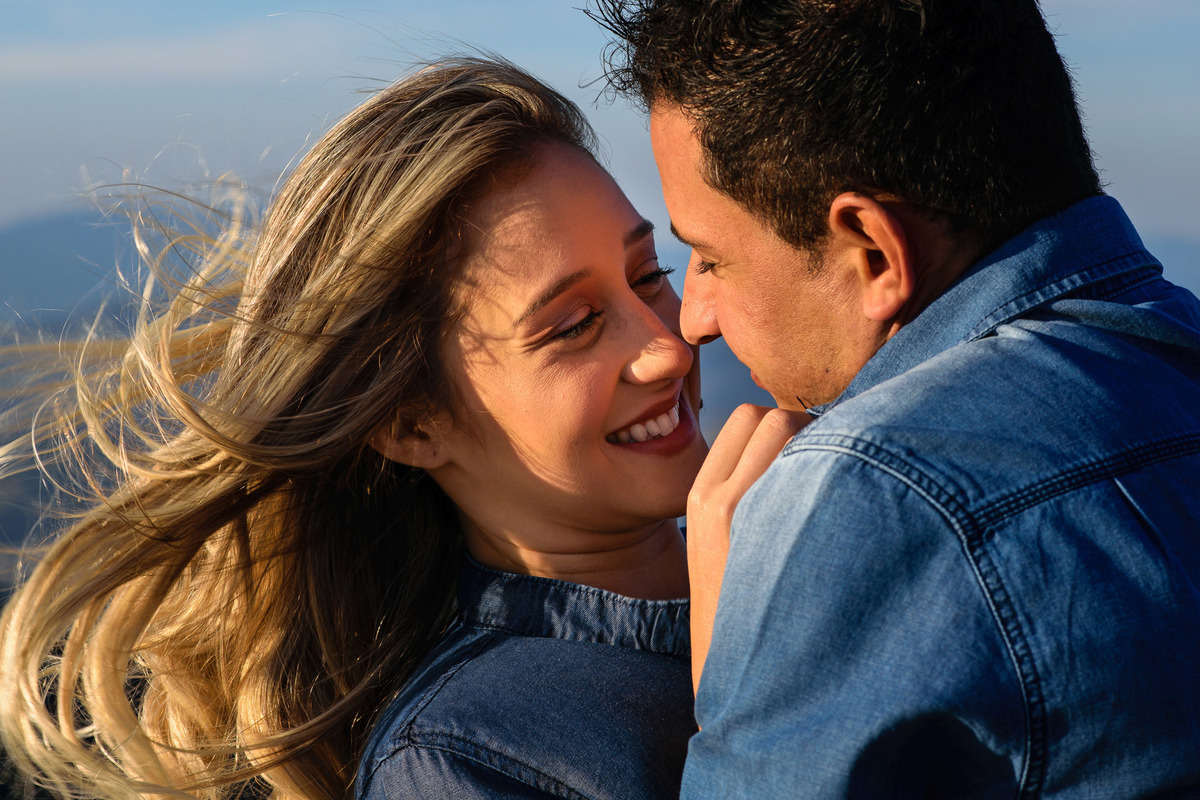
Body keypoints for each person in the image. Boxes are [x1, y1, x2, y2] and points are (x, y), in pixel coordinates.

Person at [0, 58, 711, 800]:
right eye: (573, 325)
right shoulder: (460, 761)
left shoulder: (780, 561)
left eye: (648, 275)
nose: (667, 347)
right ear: (412, 425)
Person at [593, 0, 1200, 796]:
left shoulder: (873, 489)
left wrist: (731, 680)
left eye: (709, 258)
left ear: (875, 254)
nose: (694, 321)